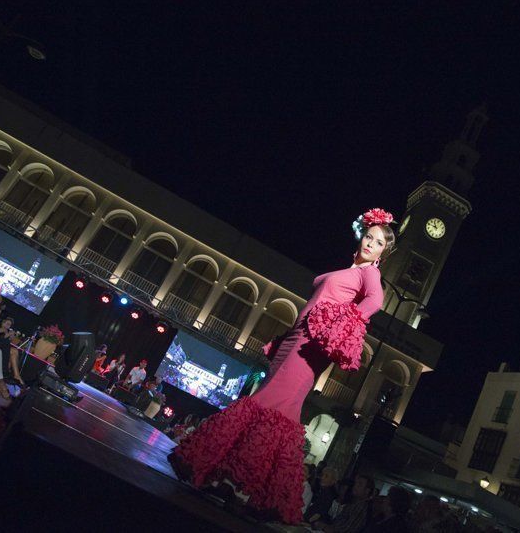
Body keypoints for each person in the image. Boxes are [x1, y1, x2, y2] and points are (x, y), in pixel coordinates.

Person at [168, 207, 395, 524]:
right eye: (369, 237)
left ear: (384, 252)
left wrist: (344, 324)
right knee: (280, 414)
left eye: (379, 242)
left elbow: (375, 302)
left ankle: (231, 481)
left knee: (267, 405)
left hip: (309, 347)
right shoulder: (351, 268)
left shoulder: (368, 273)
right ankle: (248, 490)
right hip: (296, 338)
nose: (370, 243)